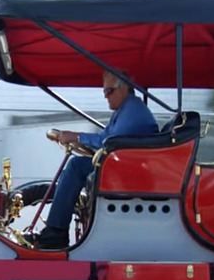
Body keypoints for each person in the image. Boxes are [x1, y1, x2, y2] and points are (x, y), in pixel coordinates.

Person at [38, 70, 159, 249]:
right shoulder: (124, 110)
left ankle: (55, 233)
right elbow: (106, 138)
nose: (106, 97)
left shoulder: (133, 110)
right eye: (104, 92)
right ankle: (56, 228)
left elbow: (109, 143)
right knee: (74, 168)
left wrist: (77, 137)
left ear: (124, 87)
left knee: (75, 166)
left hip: (129, 171)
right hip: (125, 166)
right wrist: (77, 139)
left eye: (109, 91)